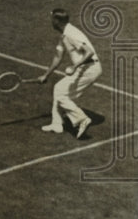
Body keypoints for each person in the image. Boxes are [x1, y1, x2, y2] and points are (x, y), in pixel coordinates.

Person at [39, 8, 102, 138]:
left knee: (62, 94)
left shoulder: (70, 34)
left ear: (57, 21)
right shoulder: (64, 34)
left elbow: (89, 52)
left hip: (89, 68)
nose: (51, 22)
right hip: (86, 68)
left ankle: (82, 119)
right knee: (59, 89)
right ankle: (57, 124)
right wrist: (46, 75)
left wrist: (74, 66)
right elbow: (58, 56)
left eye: (52, 19)